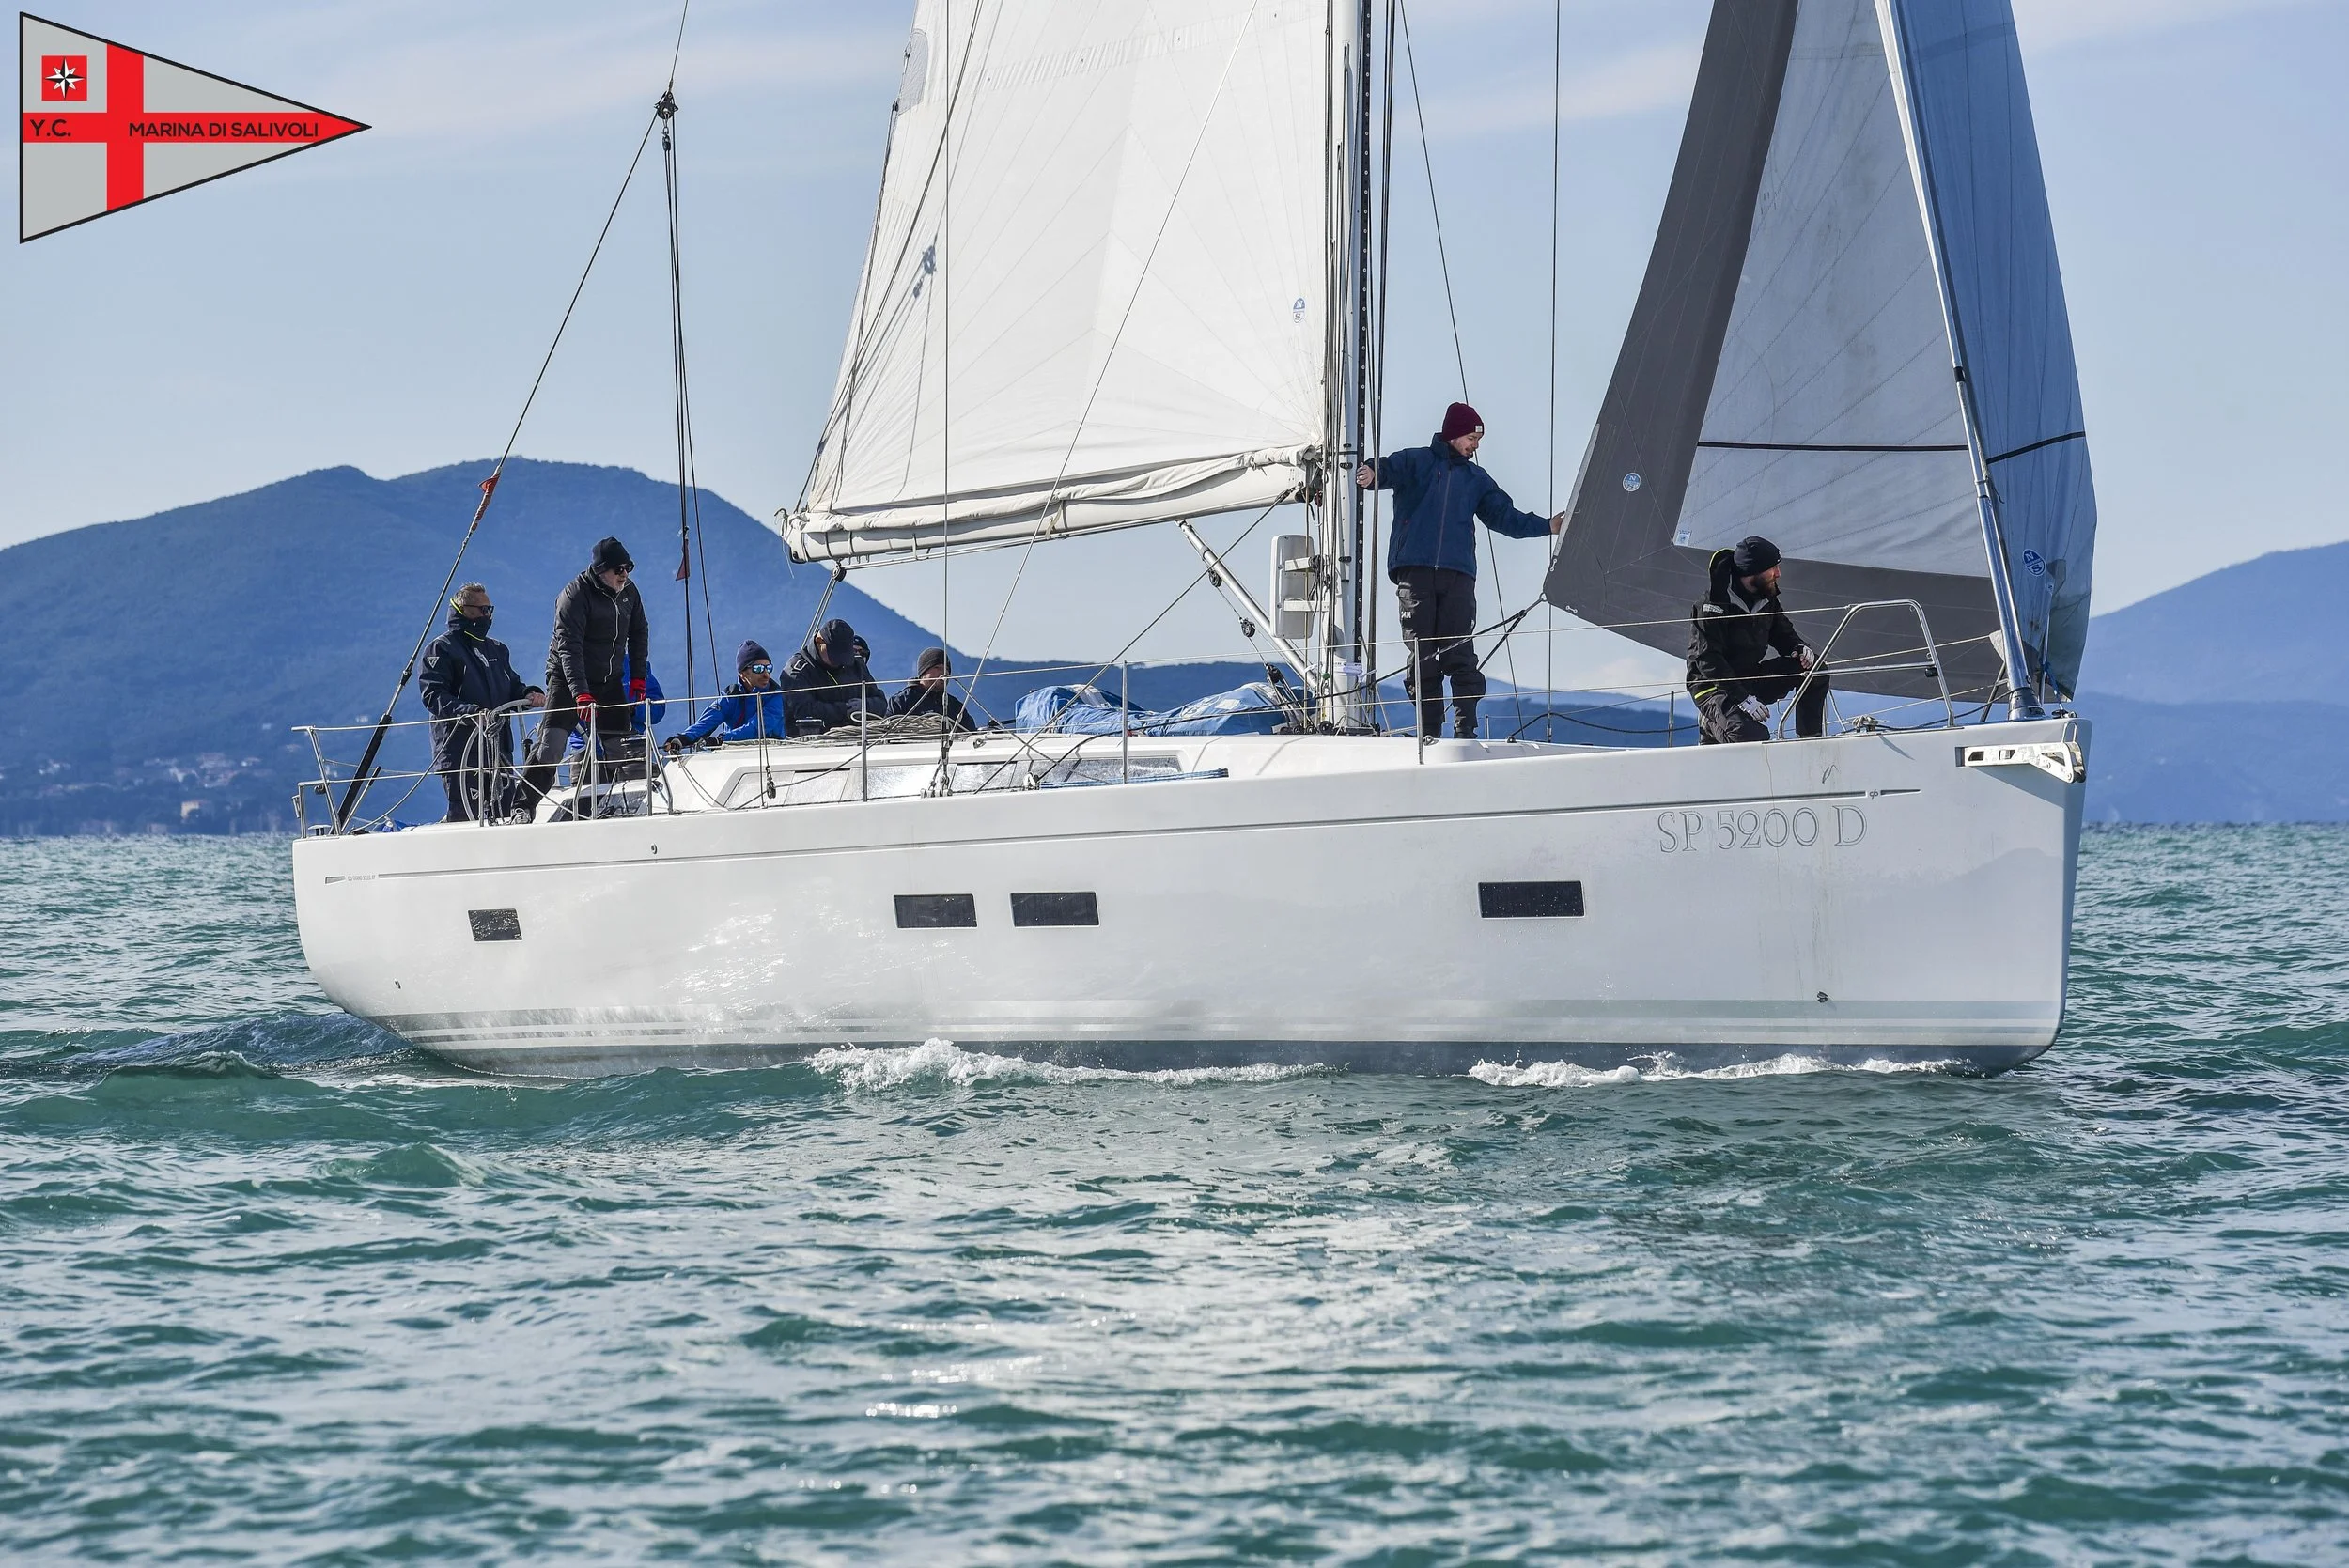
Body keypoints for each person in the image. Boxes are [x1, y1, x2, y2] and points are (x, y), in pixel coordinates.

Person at [1356, 402, 1564, 738]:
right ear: (1454, 435)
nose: (1475, 446)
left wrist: (1547, 526)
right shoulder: (1417, 461)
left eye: (1477, 440)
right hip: (1416, 574)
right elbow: (1389, 469)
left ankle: (1465, 728)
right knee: (1423, 655)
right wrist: (1372, 473)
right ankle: (1429, 732)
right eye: (1471, 438)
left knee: (1460, 654)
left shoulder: (1476, 479)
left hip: (1458, 577)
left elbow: (1504, 517)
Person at [522, 536, 650, 804]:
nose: (624, 574)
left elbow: (639, 633)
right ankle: (521, 807)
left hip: (609, 680)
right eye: (619, 569)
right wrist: (580, 693)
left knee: (621, 747)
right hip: (567, 681)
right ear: (601, 569)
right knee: (551, 748)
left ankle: (623, 806)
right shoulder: (574, 595)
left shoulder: (629, 593)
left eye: (629, 568)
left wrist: (638, 677)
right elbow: (569, 647)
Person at [418, 582, 546, 821]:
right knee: (467, 817)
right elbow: (433, 695)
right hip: (462, 751)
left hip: (499, 751)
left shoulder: (497, 650)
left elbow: (512, 686)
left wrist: (529, 694)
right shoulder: (441, 649)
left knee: (507, 813)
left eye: (490, 609)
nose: (488, 616)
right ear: (464, 610)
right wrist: (471, 713)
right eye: (483, 610)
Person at [1687, 535, 1828, 743]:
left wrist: (1799, 648)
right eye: (1773, 568)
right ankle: (1710, 724)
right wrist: (1742, 698)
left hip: (1750, 677)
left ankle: (1809, 740)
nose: (1778, 574)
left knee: (1815, 669)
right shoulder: (1713, 606)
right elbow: (1708, 660)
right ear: (1752, 571)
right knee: (1752, 736)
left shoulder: (1766, 597)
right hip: (1713, 687)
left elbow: (1782, 633)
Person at [664, 641, 791, 752]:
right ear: (742, 673)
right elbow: (708, 721)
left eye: (768, 668)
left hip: (771, 754)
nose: (766, 675)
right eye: (758, 669)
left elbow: (756, 728)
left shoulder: (776, 697)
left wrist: (721, 739)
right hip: (733, 756)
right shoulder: (730, 697)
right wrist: (683, 738)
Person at [778, 618, 886, 735]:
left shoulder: (856, 664)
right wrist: (844, 710)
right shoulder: (797, 671)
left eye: (845, 656)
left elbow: (881, 702)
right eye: (835, 655)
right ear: (820, 642)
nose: (840, 662)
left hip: (858, 739)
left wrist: (866, 706)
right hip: (815, 744)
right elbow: (804, 711)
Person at [887, 645, 972, 730]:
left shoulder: (955, 706)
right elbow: (887, 733)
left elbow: (971, 733)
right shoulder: (900, 701)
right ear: (923, 671)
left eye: (946, 669)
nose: (943, 673)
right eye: (937, 668)